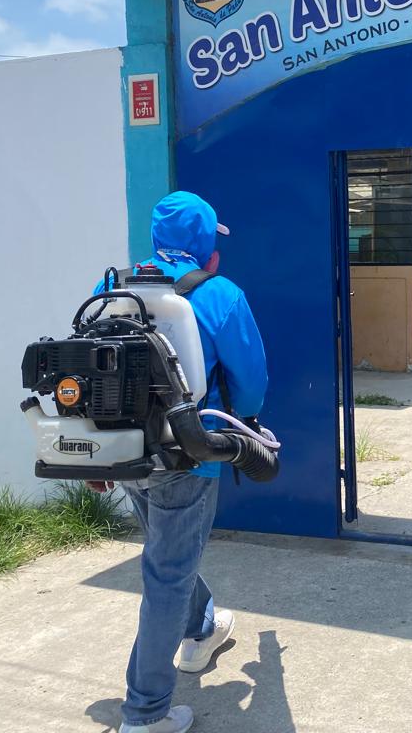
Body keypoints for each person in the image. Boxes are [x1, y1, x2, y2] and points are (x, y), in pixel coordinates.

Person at [93, 191, 268, 733]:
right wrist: (245, 425)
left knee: (169, 552)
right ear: (207, 246)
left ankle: (202, 630)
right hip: (190, 455)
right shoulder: (219, 293)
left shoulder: (110, 287)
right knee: (167, 574)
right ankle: (145, 713)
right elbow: (251, 381)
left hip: (125, 451)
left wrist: (95, 454)